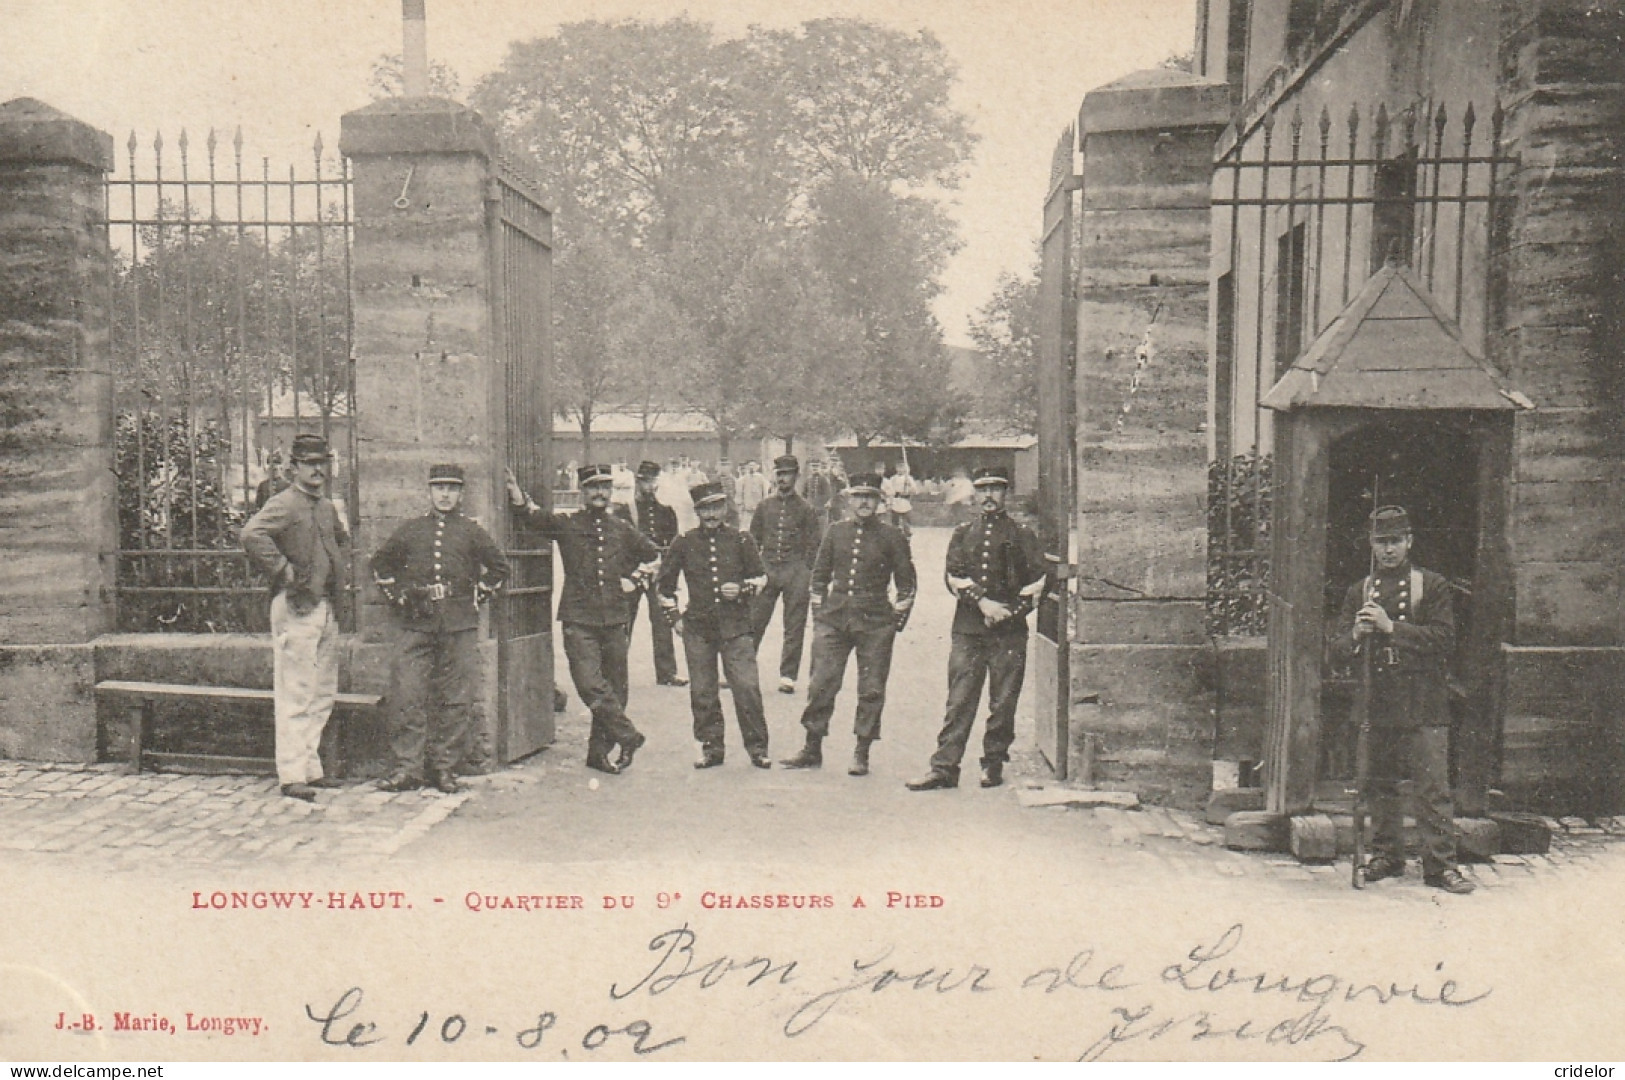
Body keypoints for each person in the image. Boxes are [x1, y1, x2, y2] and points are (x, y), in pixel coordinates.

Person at [1332, 505, 1474, 894]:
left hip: (1423, 699)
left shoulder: (1432, 584)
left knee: (1432, 786)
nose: (1389, 550)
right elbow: (1336, 650)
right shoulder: (1359, 591)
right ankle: (1386, 855)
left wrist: (1391, 627)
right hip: (1377, 700)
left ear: (1409, 541)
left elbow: (1445, 639)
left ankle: (1441, 866)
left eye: (1396, 541)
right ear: (1372, 545)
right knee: (1380, 784)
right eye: (1382, 542)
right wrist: (1358, 636)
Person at [507, 464, 659, 775]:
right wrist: (518, 498)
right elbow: (534, 518)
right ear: (582, 492)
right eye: (592, 487)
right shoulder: (568, 524)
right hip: (579, 619)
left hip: (615, 618)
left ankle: (598, 753)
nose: (600, 493)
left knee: (616, 688)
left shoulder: (622, 528)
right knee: (590, 684)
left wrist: (636, 580)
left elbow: (655, 555)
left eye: (605, 487)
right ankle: (627, 736)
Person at [369, 464, 508, 794]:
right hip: (415, 624)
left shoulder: (471, 532)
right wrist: (400, 597)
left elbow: (499, 567)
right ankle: (408, 768)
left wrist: (479, 595)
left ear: (461, 493)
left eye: (452, 488)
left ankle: (445, 767)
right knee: (408, 694)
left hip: (458, 624)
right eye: (439, 488)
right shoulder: (411, 530)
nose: (445, 494)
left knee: (456, 698)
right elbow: (380, 565)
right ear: (429, 492)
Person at [907, 465, 1046, 792]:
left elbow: (1038, 580)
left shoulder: (1022, 535)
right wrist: (983, 603)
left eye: (995, 489)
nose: (988, 496)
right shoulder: (963, 533)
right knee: (959, 699)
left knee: (1003, 701)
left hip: (1009, 630)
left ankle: (993, 762)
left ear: (1005, 493)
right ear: (974, 494)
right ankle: (944, 767)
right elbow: (953, 575)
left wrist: (1009, 613)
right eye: (982, 489)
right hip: (969, 629)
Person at [780, 472, 916, 777]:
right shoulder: (835, 532)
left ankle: (861, 751)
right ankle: (811, 748)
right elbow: (819, 576)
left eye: (870, 497)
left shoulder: (893, 536)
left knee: (871, 689)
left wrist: (894, 620)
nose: (864, 502)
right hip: (835, 618)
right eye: (858, 496)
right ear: (849, 499)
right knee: (821, 683)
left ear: (881, 501)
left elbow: (907, 584)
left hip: (875, 621)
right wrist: (819, 616)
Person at [240, 433, 350, 801]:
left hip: (325, 607)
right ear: (294, 467)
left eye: (323, 462)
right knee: (295, 691)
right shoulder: (284, 502)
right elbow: (252, 534)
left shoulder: (326, 507)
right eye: (310, 463)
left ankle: (311, 768)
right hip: (295, 606)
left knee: (321, 691)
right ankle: (291, 774)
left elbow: (338, 540)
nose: (318, 469)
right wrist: (284, 569)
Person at [657, 480, 771, 769]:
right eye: (705, 508)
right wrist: (674, 619)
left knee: (746, 687)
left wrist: (742, 589)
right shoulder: (683, 543)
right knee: (703, 692)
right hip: (699, 630)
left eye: (716, 507)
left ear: (725, 508)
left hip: (737, 628)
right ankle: (711, 749)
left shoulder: (742, 540)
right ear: (697, 511)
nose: (711, 514)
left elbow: (761, 578)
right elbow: (664, 587)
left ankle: (758, 748)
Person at [748, 454, 824, 695]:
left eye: (787, 474)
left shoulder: (806, 508)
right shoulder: (764, 506)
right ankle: (743, 669)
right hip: (768, 568)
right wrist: (755, 570)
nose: (783, 479)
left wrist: (805, 570)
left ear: (796, 476)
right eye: (779, 474)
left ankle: (788, 676)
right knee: (754, 620)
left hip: (795, 571)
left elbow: (815, 544)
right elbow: (752, 541)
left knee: (794, 625)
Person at [625, 460, 686, 687]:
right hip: (632, 572)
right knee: (624, 621)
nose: (648, 487)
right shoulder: (626, 511)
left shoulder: (666, 512)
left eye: (651, 482)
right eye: (644, 481)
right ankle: (615, 669)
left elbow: (673, 548)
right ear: (636, 482)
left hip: (658, 573)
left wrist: (669, 577)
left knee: (662, 621)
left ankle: (667, 673)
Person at [882, 460, 918, 537]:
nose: (900, 469)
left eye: (902, 467)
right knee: (895, 520)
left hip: (905, 501)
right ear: (896, 468)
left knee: (906, 520)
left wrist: (909, 486)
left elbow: (914, 490)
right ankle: (895, 533)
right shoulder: (893, 478)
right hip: (896, 500)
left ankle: (907, 533)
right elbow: (889, 490)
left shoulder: (909, 478)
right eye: (899, 467)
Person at [737, 460, 769, 529]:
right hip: (747, 509)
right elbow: (740, 494)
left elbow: (765, 492)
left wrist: (765, 504)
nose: (751, 467)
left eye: (753, 466)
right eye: (750, 466)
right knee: (746, 527)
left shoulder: (761, 478)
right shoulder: (744, 479)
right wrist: (741, 507)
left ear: (757, 467)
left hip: (757, 508)